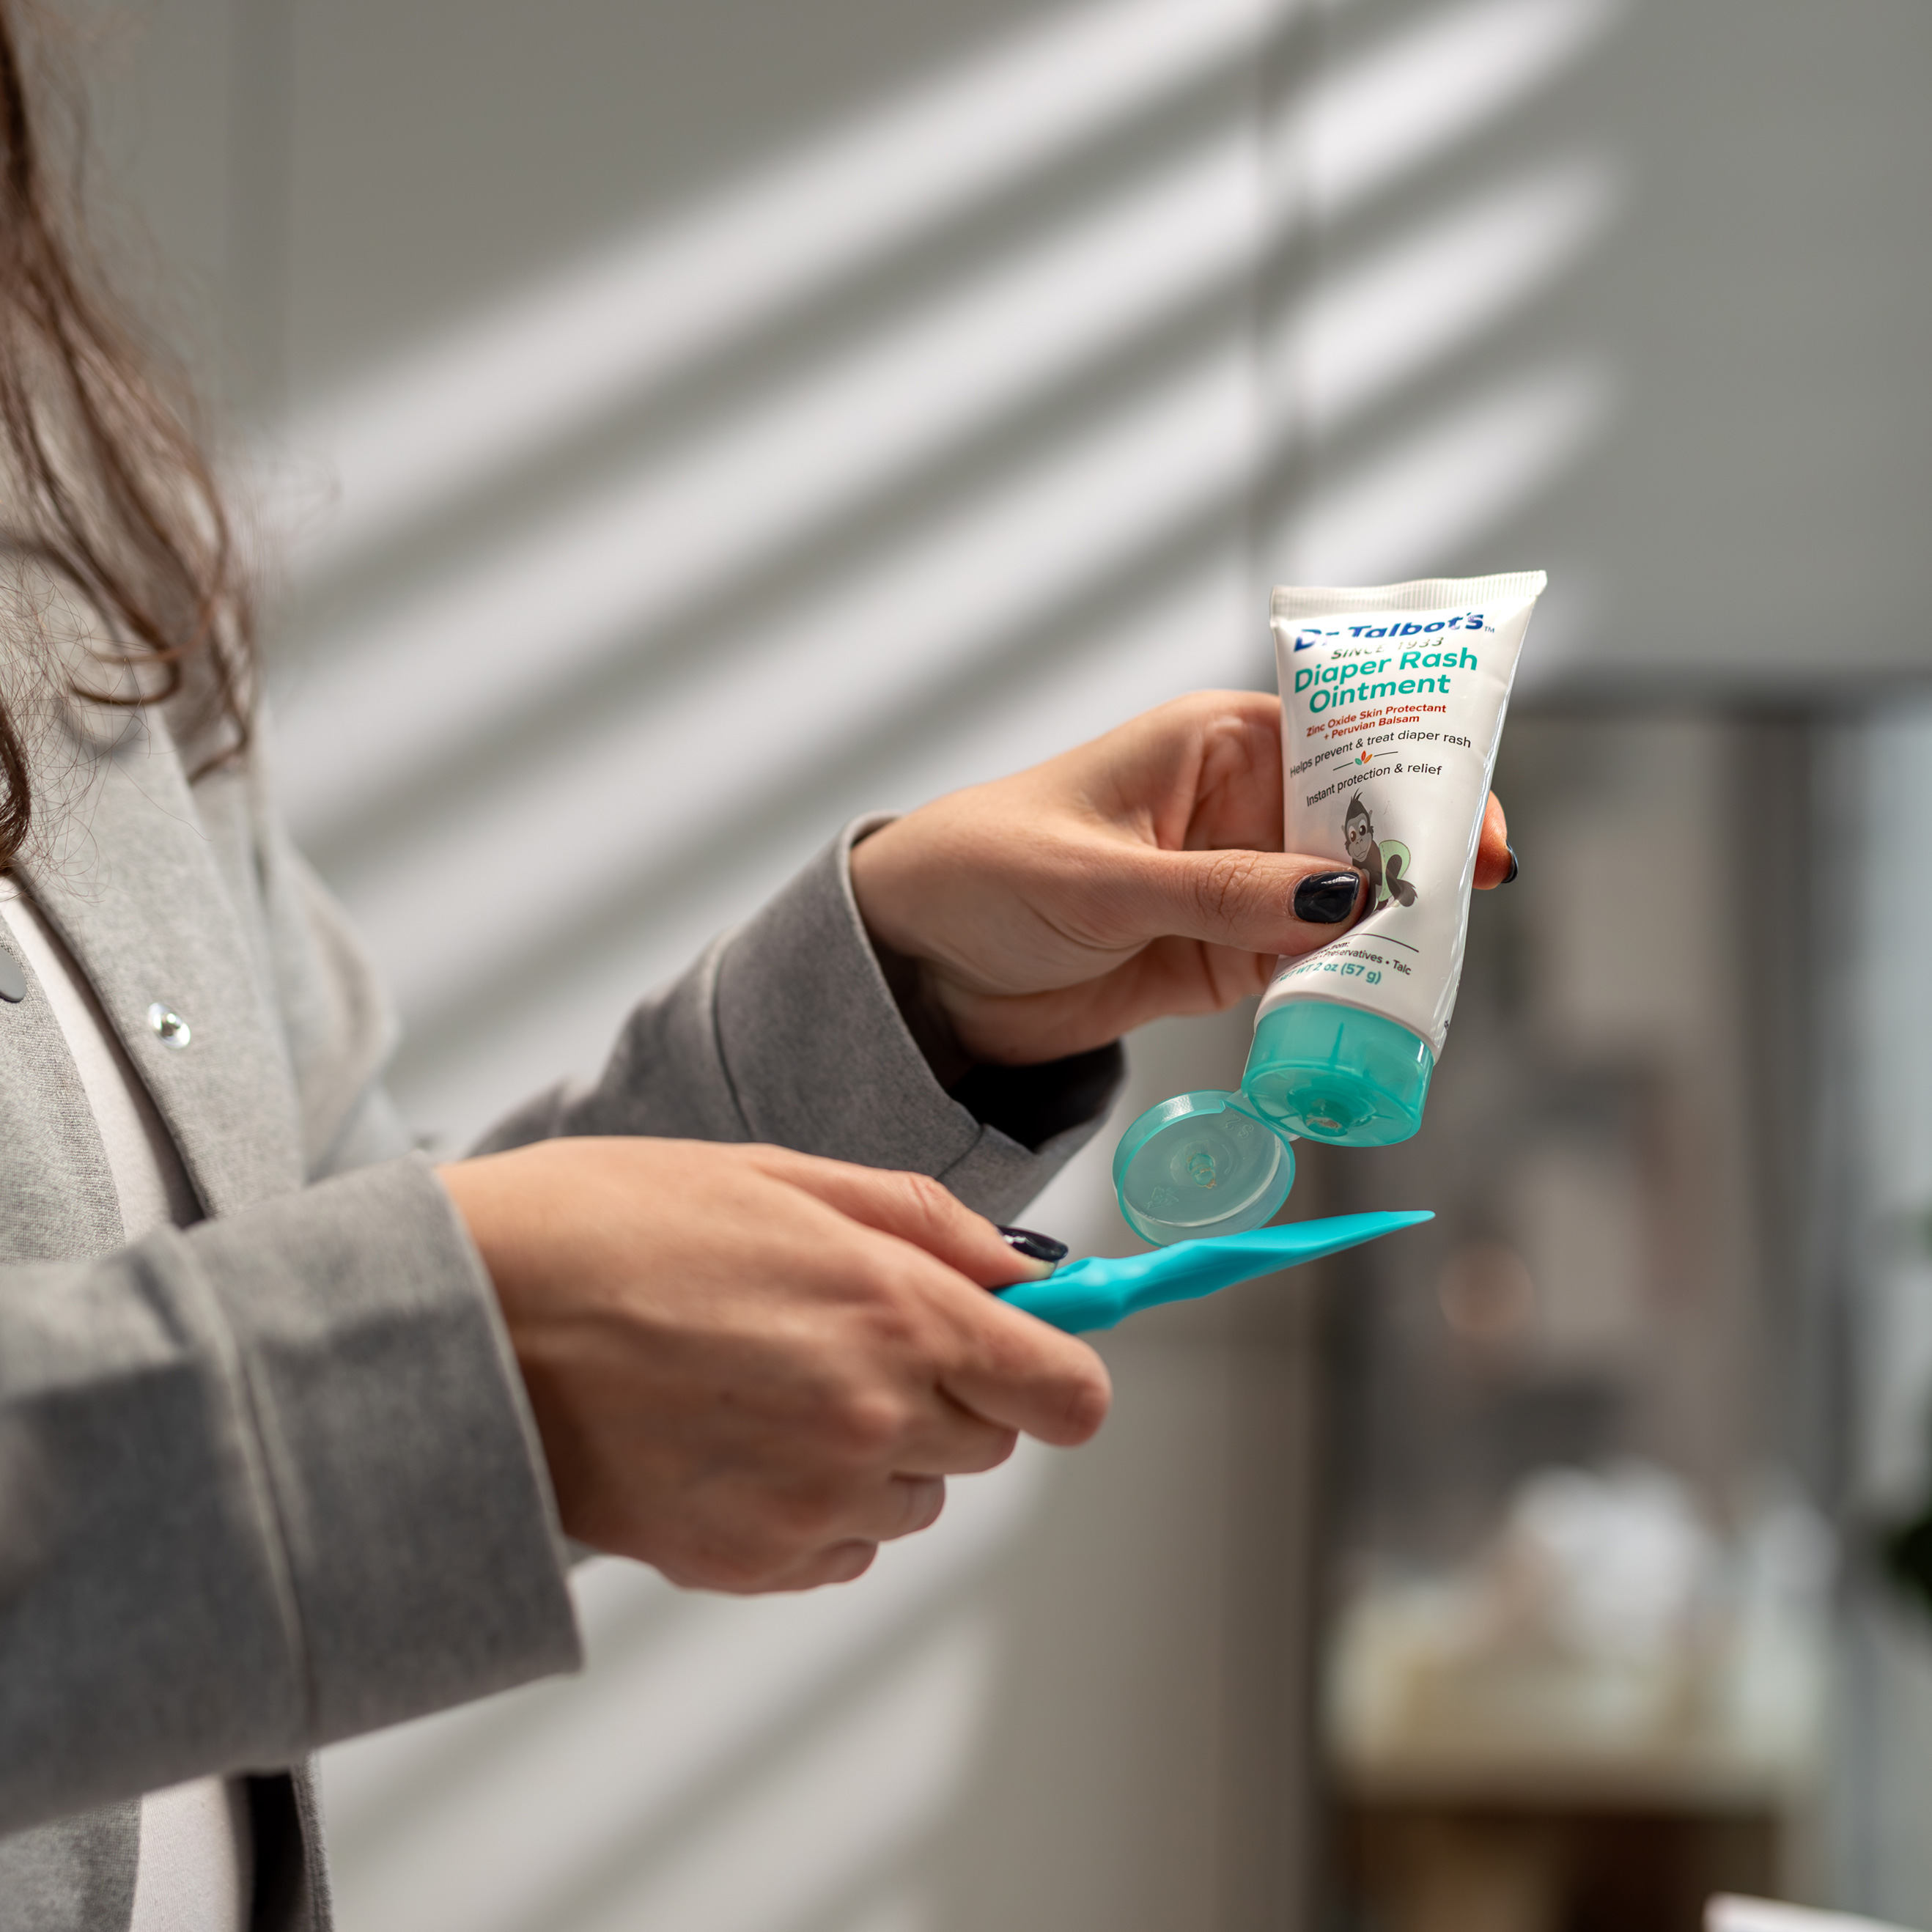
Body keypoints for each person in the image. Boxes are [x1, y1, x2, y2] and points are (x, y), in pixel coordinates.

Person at [0, 8, 1514, 1931]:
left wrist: (911, 1005)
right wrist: (457, 1360)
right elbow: (373, 1346)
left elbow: (331, 1252)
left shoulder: (66, 564)